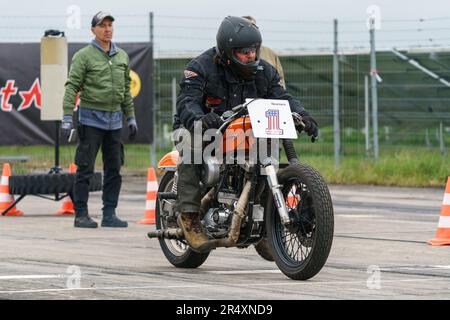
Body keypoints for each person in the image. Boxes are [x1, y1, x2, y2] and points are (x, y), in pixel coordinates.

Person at [173, 16, 318, 252]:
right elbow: (187, 101)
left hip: (245, 129)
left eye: (253, 50)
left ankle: (263, 224)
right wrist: (200, 118)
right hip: (204, 128)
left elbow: (282, 97)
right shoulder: (200, 67)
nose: (251, 55)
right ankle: (189, 217)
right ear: (228, 51)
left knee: (266, 154)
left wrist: (303, 115)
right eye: (244, 51)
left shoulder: (264, 71)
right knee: (192, 146)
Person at [61, 11, 138, 228]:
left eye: (110, 25)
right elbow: (71, 87)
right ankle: (81, 214)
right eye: (102, 25)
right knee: (85, 168)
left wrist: (130, 117)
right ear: (93, 30)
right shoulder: (83, 56)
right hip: (90, 120)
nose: (107, 29)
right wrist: (67, 117)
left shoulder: (122, 56)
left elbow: (125, 90)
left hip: (115, 122)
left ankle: (109, 214)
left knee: (114, 169)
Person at [242, 16, 286, 89]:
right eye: (246, 27)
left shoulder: (270, 53)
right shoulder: (231, 53)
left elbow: (280, 80)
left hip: (267, 98)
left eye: (253, 26)